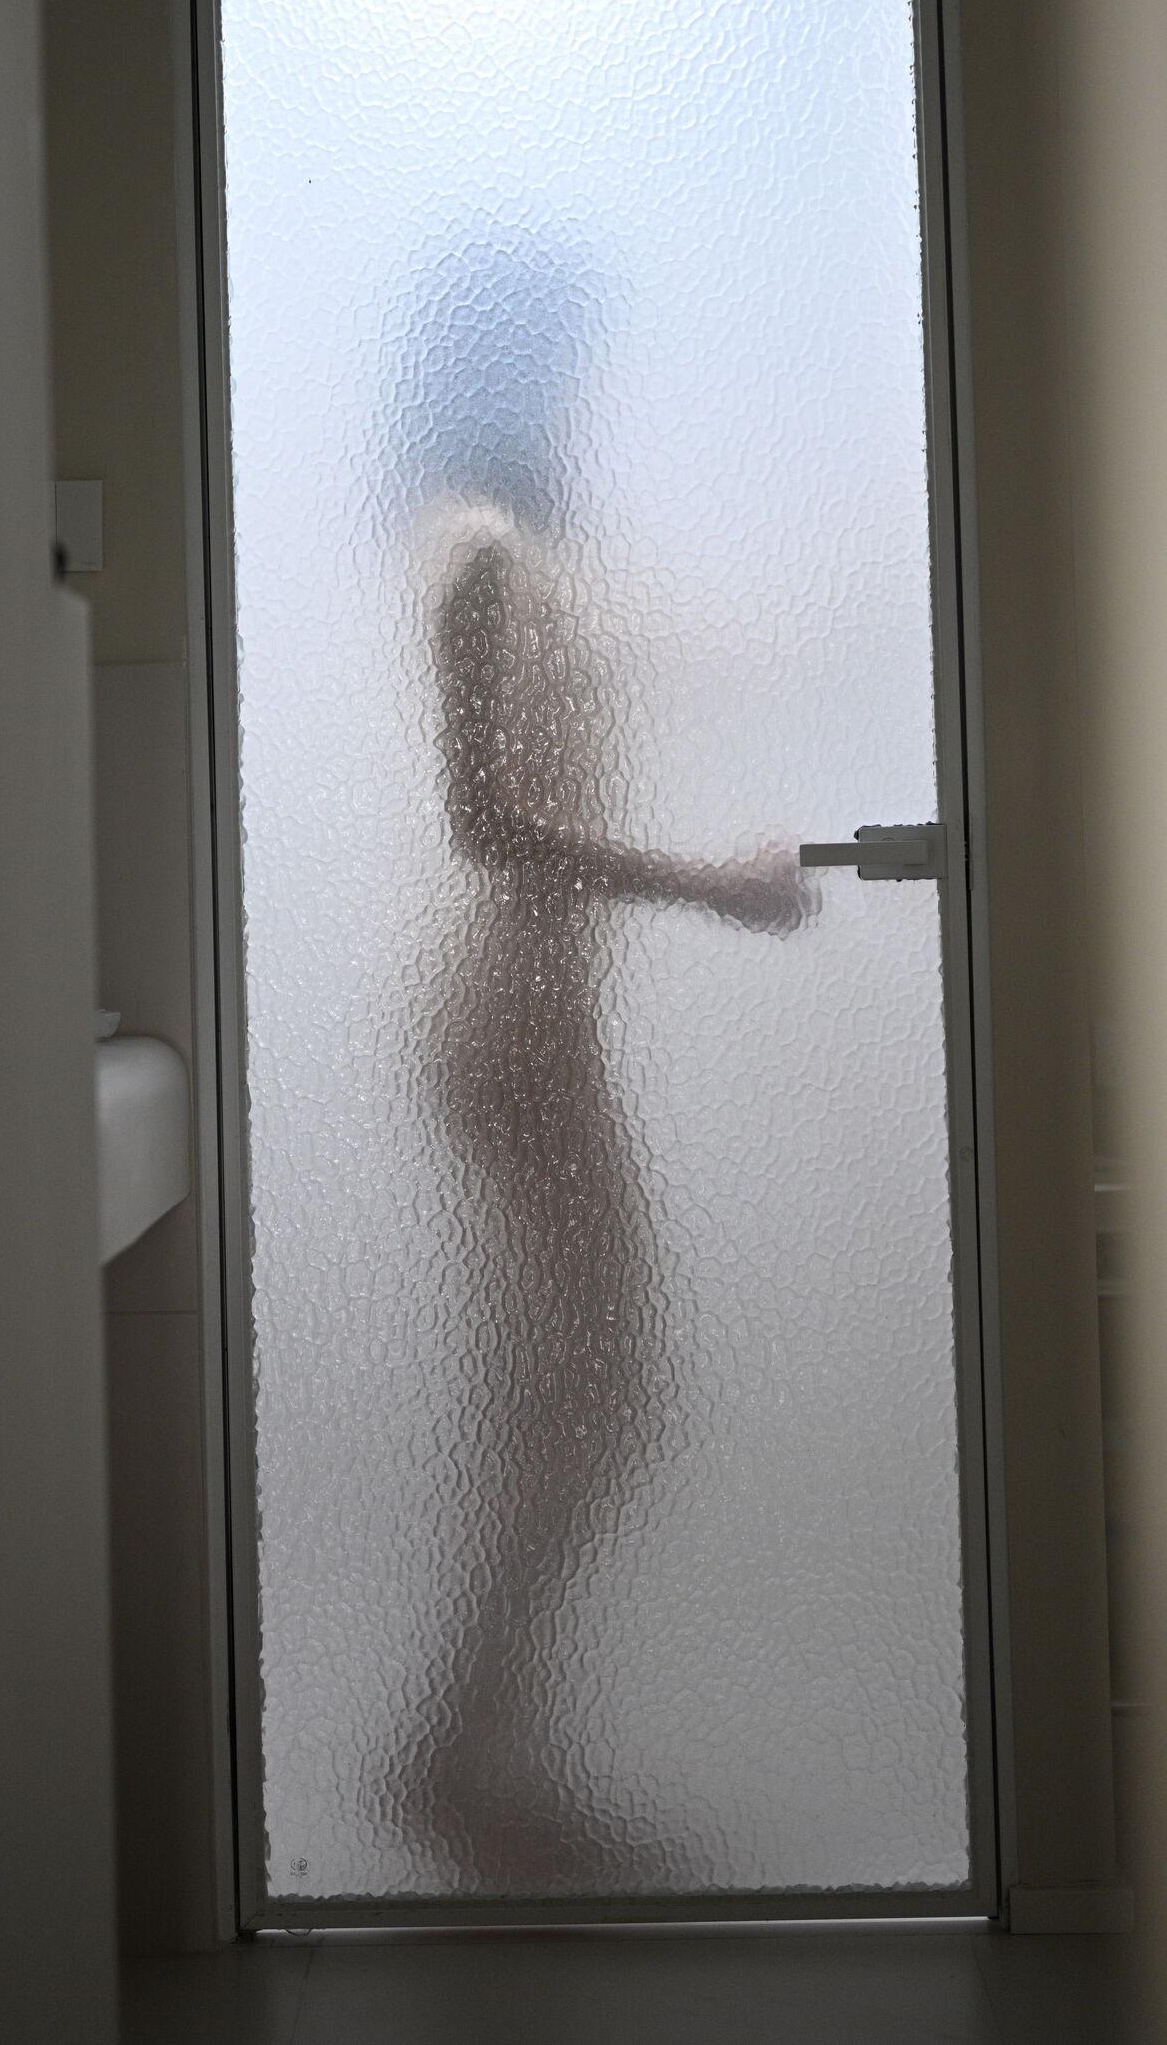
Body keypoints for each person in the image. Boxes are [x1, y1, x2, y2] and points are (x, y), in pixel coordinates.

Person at [384, 234, 815, 1895]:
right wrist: (713, 887)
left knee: (570, 1392)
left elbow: (665, 674)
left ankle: (478, 1750)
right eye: (549, 362)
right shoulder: (479, 549)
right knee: (593, 1389)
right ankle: (466, 1754)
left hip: (536, 1022)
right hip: (508, 1023)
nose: (571, 394)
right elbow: (486, 823)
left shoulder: (526, 554)